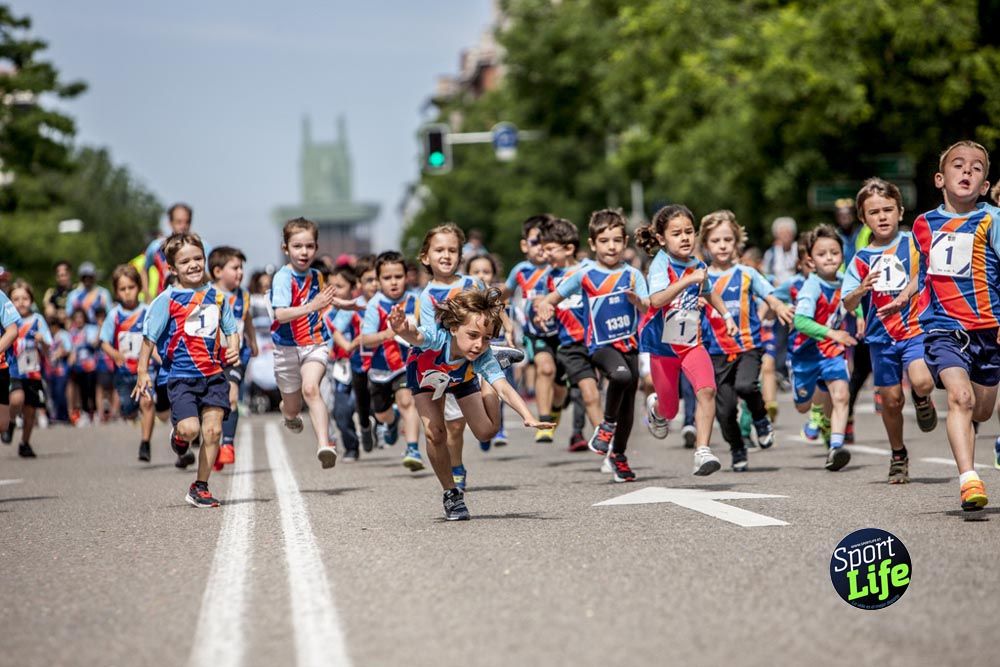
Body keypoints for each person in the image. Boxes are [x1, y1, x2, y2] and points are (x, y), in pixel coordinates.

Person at [391, 287, 553, 520]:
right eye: (473, 335)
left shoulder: (480, 354)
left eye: (486, 339)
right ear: (454, 328)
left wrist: (528, 417)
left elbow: (505, 389)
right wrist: (401, 329)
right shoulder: (437, 337)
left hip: (461, 378)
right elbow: (415, 336)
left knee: (487, 432)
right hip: (425, 378)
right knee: (435, 433)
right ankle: (451, 494)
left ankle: (489, 375)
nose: (479, 344)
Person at [912, 140, 1000, 514]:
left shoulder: (992, 220)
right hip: (943, 328)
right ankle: (969, 479)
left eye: (976, 168)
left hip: (988, 329)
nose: (966, 171)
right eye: (958, 165)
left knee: (982, 410)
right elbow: (924, 276)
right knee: (960, 398)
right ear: (939, 178)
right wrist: (908, 306)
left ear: (984, 185)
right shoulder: (922, 224)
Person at [536, 209, 649, 482]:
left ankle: (618, 456)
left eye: (617, 240)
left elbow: (648, 305)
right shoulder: (585, 275)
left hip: (629, 346)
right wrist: (545, 307)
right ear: (593, 244)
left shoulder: (633, 275)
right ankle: (606, 425)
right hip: (600, 346)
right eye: (604, 241)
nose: (611, 246)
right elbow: (551, 297)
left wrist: (639, 303)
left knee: (628, 409)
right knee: (620, 376)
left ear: (625, 242)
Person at [133, 233, 240, 508]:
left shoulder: (217, 296)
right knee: (191, 430)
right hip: (181, 378)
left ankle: (200, 486)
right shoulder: (167, 300)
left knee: (213, 431)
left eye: (198, 258)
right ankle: (179, 435)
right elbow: (148, 339)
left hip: (213, 375)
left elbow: (231, 329)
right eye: (185, 261)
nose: (193, 265)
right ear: (171, 268)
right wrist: (142, 372)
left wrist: (233, 347)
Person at [842, 178, 938, 484]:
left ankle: (922, 399)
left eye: (887, 210)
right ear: (863, 218)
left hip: (915, 329)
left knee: (923, 381)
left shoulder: (912, 243)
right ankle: (898, 454)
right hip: (880, 339)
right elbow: (847, 302)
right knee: (892, 400)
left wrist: (905, 296)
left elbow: (926, 274)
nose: (882, 217)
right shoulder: (860, 259)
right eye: (874, 212)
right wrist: (860, 289)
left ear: (900, 212)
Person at [633, 205, 735, 477]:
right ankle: (656, 407)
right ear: (662, 238)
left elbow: (709, 292)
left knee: (707, 390)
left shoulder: (698, 265)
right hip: (662, 347)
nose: (685, 238)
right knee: (670, 409)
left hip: (691, 343)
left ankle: (703, 451)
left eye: (689, 232)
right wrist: (688, 281)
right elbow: (656, 300)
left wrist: (726, 315)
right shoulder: (661, 264)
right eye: (676, 233)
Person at [699, 211, 793, 470]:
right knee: (725, 411)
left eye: (728, 239)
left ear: (737, 242)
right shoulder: (700, 277)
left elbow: (769, 294)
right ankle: (737, 447)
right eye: (716, 240)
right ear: (705, 244)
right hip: (716, 351)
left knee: (746, 386)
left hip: (748, 346)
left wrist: (779, 306)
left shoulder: (746, 273)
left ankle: (761, 419)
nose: (722, 245)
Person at [270, 218, 351, 470]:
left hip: (314, 343)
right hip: (286, 347)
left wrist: (349, 304)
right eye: (297, 246)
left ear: (316, 247)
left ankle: (325, 445)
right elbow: (280, 314)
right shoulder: (283, 278)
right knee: (293, 408)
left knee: (311, 389)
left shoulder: (317, 275)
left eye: (309, 246)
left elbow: (326, 300)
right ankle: (287, 411)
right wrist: (312, 306)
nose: (303, 252)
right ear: (286, 248)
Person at [791, 225, 858, 472]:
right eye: (822, 254)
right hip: (805, 354)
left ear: (842, 255)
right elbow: (800, 321)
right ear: (810, 260)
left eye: (834, 252)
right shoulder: (811, 286)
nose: (829, 258)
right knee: (802, 405)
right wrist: (832, 333)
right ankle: (816, 409)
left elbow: (853, 300)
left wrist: (860, 316)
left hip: (832, 351)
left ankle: (836, 447)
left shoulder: (845, 281)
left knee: (841, 395)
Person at [537, 217, 605, 452]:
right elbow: (545, 303)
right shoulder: (549, 276)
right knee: (580, 391)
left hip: (596, 340)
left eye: (549, 249)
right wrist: (542, 311)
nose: (545, 254)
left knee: (594, 392)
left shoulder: (589, 269)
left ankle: (604, 440)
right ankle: (603, 443)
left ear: (568, 248)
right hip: (568, 343)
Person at [504, 214, 566, 442]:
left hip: (564, 333)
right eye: (535, 242)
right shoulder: (520, 270)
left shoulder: (560, 268)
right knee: (545, 368)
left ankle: (556, 407)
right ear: (524, 245)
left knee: (560, 387)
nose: (540, 247)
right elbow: (503, 294)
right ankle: (543, 421)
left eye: (546, 241)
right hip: (535, 333)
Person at [360, 251, 423, 470]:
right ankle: (392, 420)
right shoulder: (375, 305)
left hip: (407, 365)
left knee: (407, 402)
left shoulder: (416, 301)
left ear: (407, 277)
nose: (393, 282)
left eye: (398, 276)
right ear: (378, 281)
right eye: (387, 278)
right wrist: (388, 334)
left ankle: (413, 449)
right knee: (381, 414)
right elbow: (366, 340)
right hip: (380, 369)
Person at [100, 265, 155, 461]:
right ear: (116, 292)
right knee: (129, 410)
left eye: (131, 287)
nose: (127, 292)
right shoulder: (114, 315)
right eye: (122, 289)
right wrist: (114, 353)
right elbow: (103, 341)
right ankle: (131, 412)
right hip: (123, 373)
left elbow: (154, 339)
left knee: (147, 402)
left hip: (145, 370)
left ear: (138, 287)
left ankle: (145, 443)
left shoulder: (147, 312)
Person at [210, 246, 257, 470]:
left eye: (241, 268)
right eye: (235, 268)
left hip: (235, 356)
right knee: (210, 406)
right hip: (210, 358)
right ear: (218, 271)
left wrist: (253, 340)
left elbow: (247, 320)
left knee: (232, 395)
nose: (240, 272)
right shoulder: (208, 295)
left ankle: (227, 444)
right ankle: (212, 448)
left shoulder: (244, 295)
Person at [8, 280, 51, 458]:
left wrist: (43, 341)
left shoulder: (37, 320)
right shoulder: (7, 321)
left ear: (31, 300)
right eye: (16, 299)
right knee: (16, 398)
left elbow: (49, 347)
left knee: (30, 410)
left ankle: (25, 443)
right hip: (13, 370)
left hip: (32, 371)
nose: (21, 302)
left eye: (25, 298)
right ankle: (10, 421)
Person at [762, 216, 798, 383]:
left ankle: (794, 366)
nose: (785, 236)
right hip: (779, 299)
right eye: (782, 233)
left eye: (788, 233)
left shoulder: (799, 250)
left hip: (797, 297)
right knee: (780, 334)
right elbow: (765, 275)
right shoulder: (771, 254)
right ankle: (781, 369)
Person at [142, 203, 196, 298]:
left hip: (191, 300)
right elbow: (144, 270)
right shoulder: (156, 246)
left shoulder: (199, 246)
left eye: (187, 222)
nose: (183, 226)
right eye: (179, 222)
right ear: (170, 223)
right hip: (164, 299)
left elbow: (211, 277)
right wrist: (147, 295)